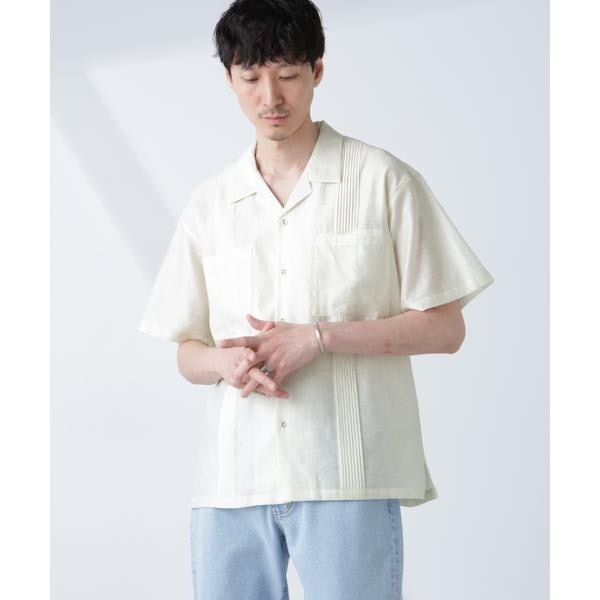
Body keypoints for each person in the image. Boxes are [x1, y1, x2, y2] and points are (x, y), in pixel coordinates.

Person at [138, 1, 494, 598]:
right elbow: (187, 351)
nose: (270, 97)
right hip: (233, 482)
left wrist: (319, 338)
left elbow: (445, 328)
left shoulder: (382, 180)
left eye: (287, 74)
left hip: (346, 475)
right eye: (251, 78)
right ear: (229, 79)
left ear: (317, 71)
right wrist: (223, 361)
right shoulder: (211, 204)